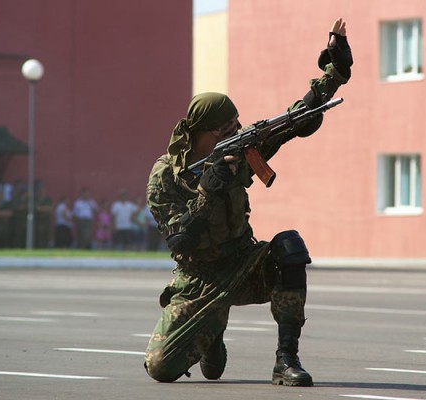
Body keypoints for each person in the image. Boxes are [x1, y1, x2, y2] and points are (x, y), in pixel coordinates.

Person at [143, 18, 352, 386]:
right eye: (227, 130)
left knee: (289, 247)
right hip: (199, 278)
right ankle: (211, 334)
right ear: (202, 134)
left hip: (243, 261)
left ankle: (285, 359)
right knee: (161, 369)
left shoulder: (240, 151)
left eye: (237, 125)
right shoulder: (165, 177)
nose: (237, 133)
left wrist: (334, 71)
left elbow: (295, 120)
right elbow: (181, 241)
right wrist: (209, 188)